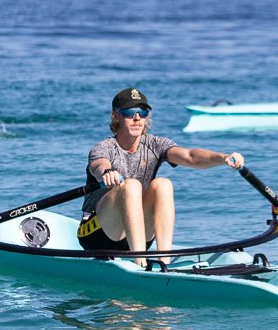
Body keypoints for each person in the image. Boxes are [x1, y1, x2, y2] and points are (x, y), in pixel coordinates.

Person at [78, 87, 244, 268]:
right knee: (131, 185)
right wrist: (107, 172)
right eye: (129, 112)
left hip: (137, 236)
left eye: (142, 113)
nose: (137, 118)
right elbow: (98, 165)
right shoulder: (104, 148)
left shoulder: (156, 144)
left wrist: (223, 158)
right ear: (115, 116)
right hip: (97, 235)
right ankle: (140, 262)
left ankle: (164, 262)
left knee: (163, 184)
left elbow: (190, 156)